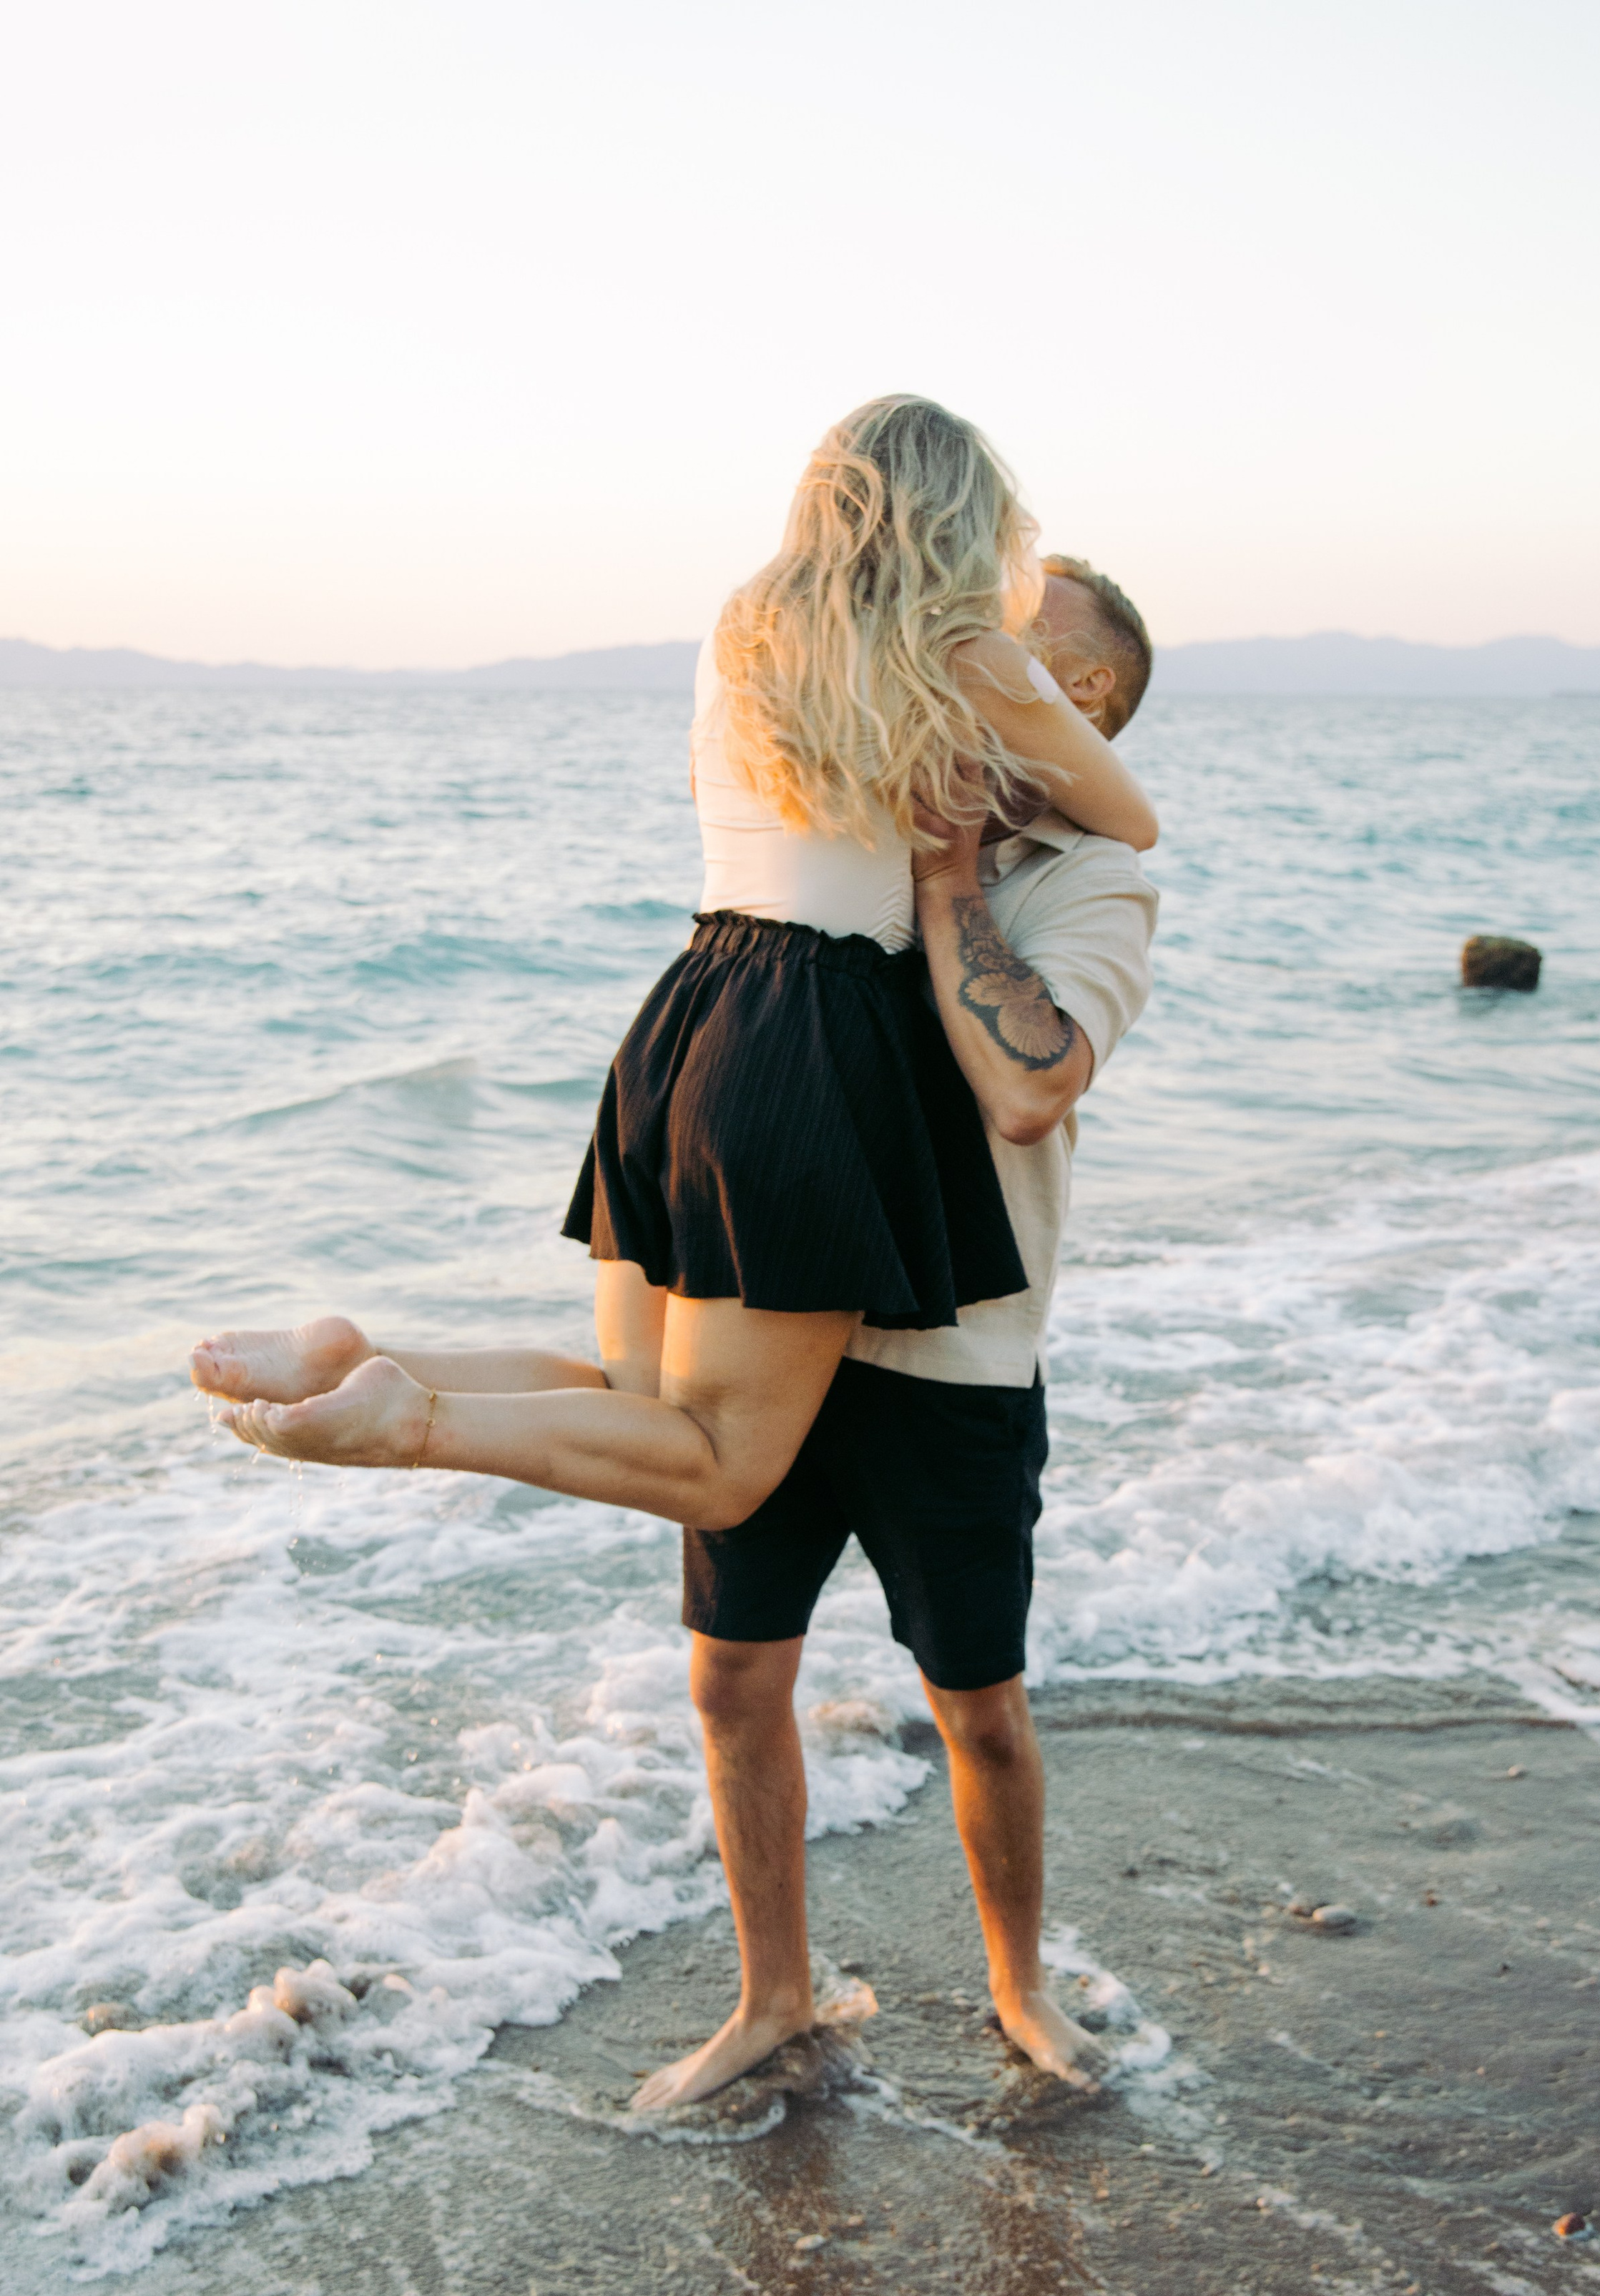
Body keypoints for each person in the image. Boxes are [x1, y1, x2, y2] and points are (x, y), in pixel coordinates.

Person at [192, 400, 1155, 1542]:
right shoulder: (965, 653)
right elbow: (1127, 816)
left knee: (642, 1397)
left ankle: (361, 1358)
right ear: (963, 519)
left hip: (691, 1012)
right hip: (812, 1033)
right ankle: (413, 1418)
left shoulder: (744, 625)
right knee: (724, 1467)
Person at [637, 554, 1159, 2108]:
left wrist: (945, 874)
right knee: (731, 1682)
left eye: (1011, 652)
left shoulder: (1092, 882)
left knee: (975, 1705)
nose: (958, 660)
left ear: (1082, 709)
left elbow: (1025, 1082)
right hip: (775, 1334)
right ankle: (773, 1998)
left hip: (954, 1358)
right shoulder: (837, 820)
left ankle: (1012, 1987)